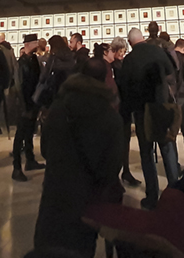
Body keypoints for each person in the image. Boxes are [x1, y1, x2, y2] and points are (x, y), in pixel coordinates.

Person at [32, 58, 124, 257]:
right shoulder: (110, 117)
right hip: (87, 202)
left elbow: (45, 149)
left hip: (55, 196)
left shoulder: (58, 108)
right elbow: (111, 168)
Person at [119, 27, 180, 209]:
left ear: (130, 43)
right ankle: (175, 192)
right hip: (161, 107)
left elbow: (126, 89)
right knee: (168, 149)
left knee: (146, 154)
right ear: (143, 38)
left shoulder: (129, 59)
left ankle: (152, 195)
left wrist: (127, 113)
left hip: (141, 111)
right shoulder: (158, 51)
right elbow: (171, 73)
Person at [12, 34, 46, 182]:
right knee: (20, 135)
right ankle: (16, 167)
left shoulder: (33, 60)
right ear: (27, 44)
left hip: (33, 102)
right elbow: (19, 86)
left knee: (29, 133)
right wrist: (24, 106)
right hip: (25, 104)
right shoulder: (22, 63)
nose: (37, 44)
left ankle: (30, 160)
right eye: (34, 42)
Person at [109, 36, 141, 187]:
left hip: (125, 107)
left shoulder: (121, 64)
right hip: (117, 109)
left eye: (123, 51)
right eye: (120, 51)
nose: (122, 54)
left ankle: (126, 171)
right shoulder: (112, 67)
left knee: (125, 141)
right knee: (117, 142)